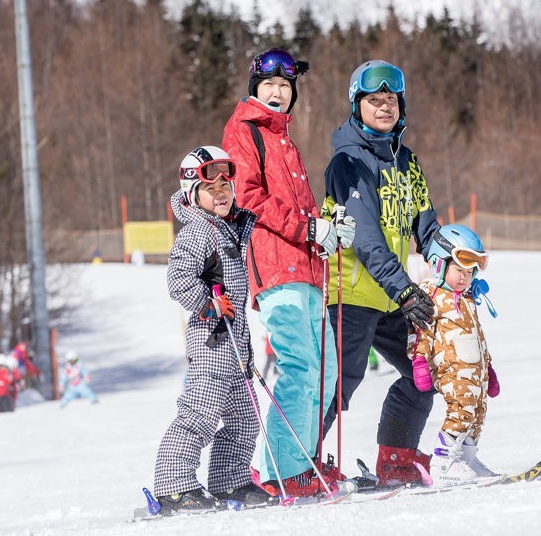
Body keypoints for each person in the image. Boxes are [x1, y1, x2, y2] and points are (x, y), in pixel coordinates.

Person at [221, 47, 354, 497]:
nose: (278, 94)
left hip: (307, 267)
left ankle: (303, 463)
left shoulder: (285, 141)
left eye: (284, 87)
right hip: (276, 268)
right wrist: (306, 227)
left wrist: (325, 232)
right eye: (269, 86)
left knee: (327, 370)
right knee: (301, 366)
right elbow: (248, 198)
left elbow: (304, 207)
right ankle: (278, 470)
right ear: (254, 89)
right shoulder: (245, 131)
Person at [322, 59, 441, 487]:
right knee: (339, 384)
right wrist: (406, 291)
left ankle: (397, 459)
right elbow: (366, 239)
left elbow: (427, 229)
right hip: (350, 293)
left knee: (424, 371)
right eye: (374, 100)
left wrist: (455, 267)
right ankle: (299, 466)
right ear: (357, 106)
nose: (384, 107)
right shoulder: (346, 163)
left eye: (390, 99)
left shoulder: (408, 164)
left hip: (391, 295)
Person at [151, 146, 269, 513]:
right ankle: (174, 486)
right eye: (210, 188)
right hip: (211, 340)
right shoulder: (198, 232)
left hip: (235, 343)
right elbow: (178, 279)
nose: (220, 193)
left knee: (244, 418)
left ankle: (230, 481)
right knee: (199, 413)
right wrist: (207, 302)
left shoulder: (230, 230)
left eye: (225, 186)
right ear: (192, 195)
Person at [409, 224, 500, 484]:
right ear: (439, 264)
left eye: (469, 272)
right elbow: (421, 332)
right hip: (450, 368)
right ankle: (443, 464)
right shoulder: (431, 296)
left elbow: (479, 336)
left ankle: (466, 459)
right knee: (461, 410)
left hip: (475, 370)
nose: (464, 277)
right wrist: (419, 362)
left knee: (478, 412)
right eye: (458, 270)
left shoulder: (468, 298)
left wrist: (489, 369)